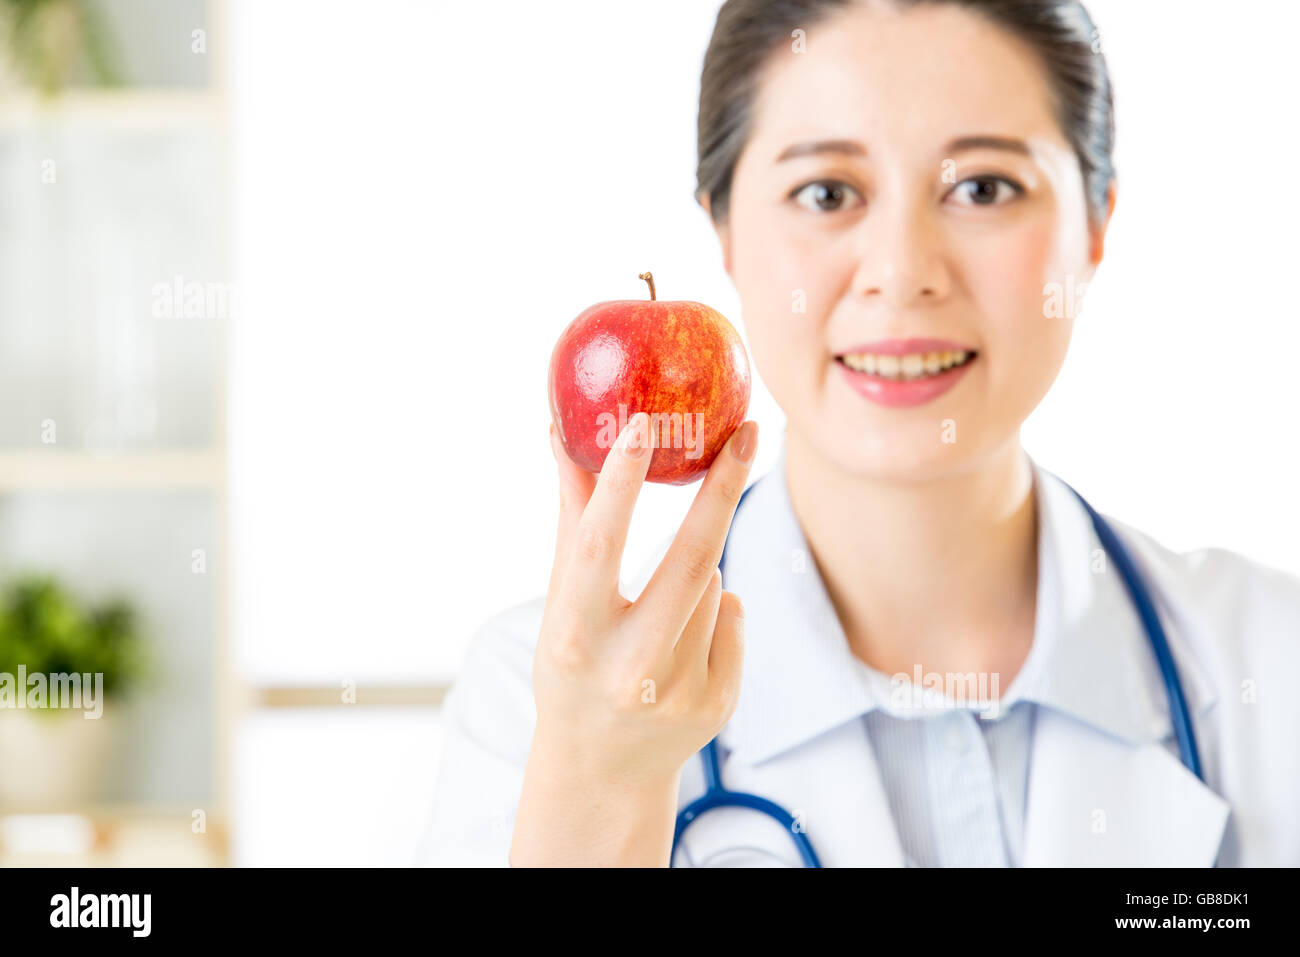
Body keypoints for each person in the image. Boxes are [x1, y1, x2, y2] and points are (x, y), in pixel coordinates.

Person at [422, 0, 1300, 867]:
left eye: (983, 188)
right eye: (827, 192)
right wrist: (597, 784)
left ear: (1097, 219)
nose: (901, 272)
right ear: (723, 231)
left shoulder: (1272, 659)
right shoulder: (536, 702)